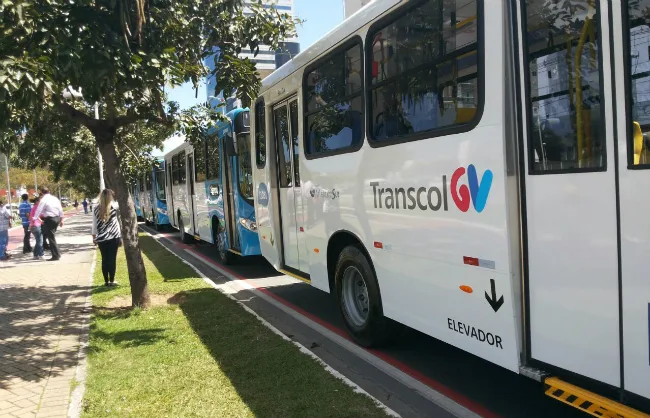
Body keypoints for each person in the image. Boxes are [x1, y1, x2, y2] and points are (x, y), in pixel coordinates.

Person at [92, 189, 122, 286]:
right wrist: (120, 236)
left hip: (102, 238)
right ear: (110, 197)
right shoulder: (115, 206)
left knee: (104, 259)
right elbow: (118, 223)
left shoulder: (95, 208)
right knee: (112, 259)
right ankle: (112, 280)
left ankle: (106, 281)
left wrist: (94, 236)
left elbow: (94, 224)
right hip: (114, 236)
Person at [33, 186, 64, 261]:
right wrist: (61, 219)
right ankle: (57, 254)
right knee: (51, 236)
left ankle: (55, 255)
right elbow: (60, 208)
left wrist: (34, 218)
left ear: (42, 193)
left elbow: (39, 209)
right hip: (56, 218)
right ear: (49, 191)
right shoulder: (55, 198)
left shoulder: (44, 200)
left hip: (50, 219)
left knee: (51, 237)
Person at [30, 195, 44, 260]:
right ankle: (40, 254)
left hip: (34, 226)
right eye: (40, 201)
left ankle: (35, 255)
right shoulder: (36, 207)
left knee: (38, 241)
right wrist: (41, 221)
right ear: (36, 202)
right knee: (40, 241)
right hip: (36, 225)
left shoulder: (34, 207)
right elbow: (37, 216)